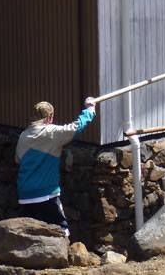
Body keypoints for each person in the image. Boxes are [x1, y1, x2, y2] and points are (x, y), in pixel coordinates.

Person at [15, 98, 96, 236]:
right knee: (62, 232)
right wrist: (90, 109)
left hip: (25, 195)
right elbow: (76, 127)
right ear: (50, 116)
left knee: (31, 235)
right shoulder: (52, 133)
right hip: (46, 194)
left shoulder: (23, 136)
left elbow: (17, 159)